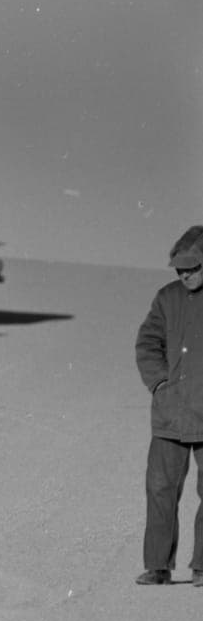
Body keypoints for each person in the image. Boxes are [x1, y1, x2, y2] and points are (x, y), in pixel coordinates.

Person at [134, 224, 203, 587]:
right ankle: (158, 566)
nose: (185, 274)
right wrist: (159, 382)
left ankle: (202, 567)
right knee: (160, 488)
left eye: (193, 267)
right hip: (170, 413)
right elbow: (147, 344)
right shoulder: (166, 298)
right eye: (180, 268)